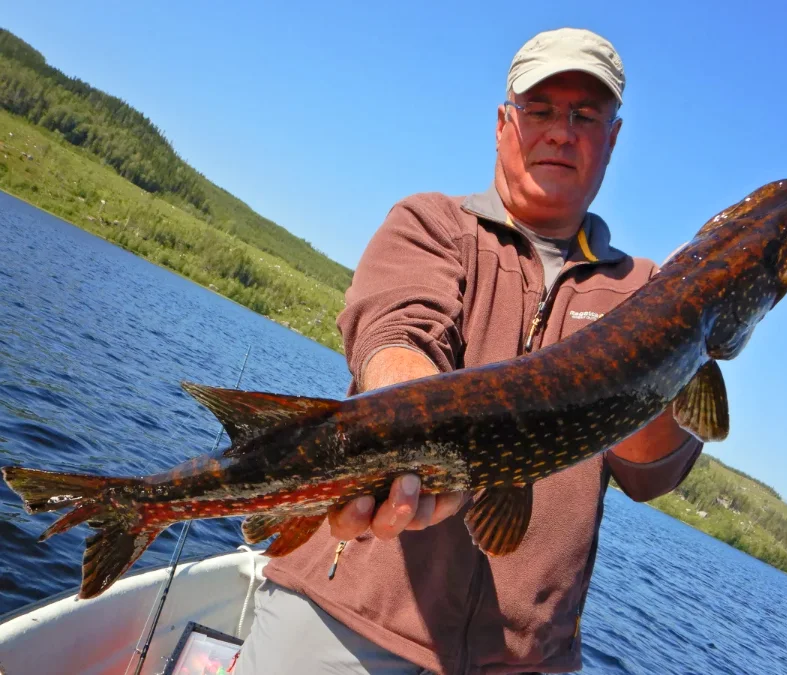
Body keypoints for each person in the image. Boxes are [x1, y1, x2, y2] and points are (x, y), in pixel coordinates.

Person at [236, 27, 703, 675]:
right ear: (502, 123)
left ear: (613, 138)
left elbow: (650, 470)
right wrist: (419, 449)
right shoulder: (434, 225)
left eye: (584, 115)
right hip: (348, 621)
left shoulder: (642, 292)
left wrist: (680, 337)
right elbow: (398, 337)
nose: (561, 131)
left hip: (521, 661)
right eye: (539, 109)